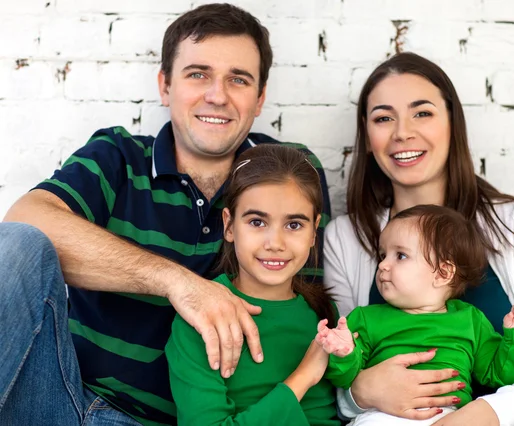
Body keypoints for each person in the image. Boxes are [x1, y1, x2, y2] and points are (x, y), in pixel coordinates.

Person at [0, 4, 333, 425]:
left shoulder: (287, 176)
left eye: (238, 79)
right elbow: (24, 226)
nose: (217, 94)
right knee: (16, 244)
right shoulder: (118, 156)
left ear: (260, 97)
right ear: (165, 85)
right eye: (198, 74)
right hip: (61, 396)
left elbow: (307, 316)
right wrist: (178, 283)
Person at [324, 52, 514, 425]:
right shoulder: (345, 238)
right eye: (383, 118)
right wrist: (362, 394)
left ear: (453, 124)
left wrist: (481, 414)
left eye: (422, 113)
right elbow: (340, 375)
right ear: (366, 136)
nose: (402, 132)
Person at [317, 204, 514, 425]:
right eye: (383, 255)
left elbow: (498, 374)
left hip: (450, 416)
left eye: (401, 256)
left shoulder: (470, 320)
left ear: (443, 273)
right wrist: (344, 353)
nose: (383, 265)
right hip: (383, 414)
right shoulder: (365, 318)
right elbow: (345, 378)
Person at [166, 144, 340, 425]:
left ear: (313, 231)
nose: (275, 244)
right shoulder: (200, 319)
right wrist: (304, 377)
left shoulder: (324, 312)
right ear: (230, 225)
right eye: (257, 222)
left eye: (294, 225)